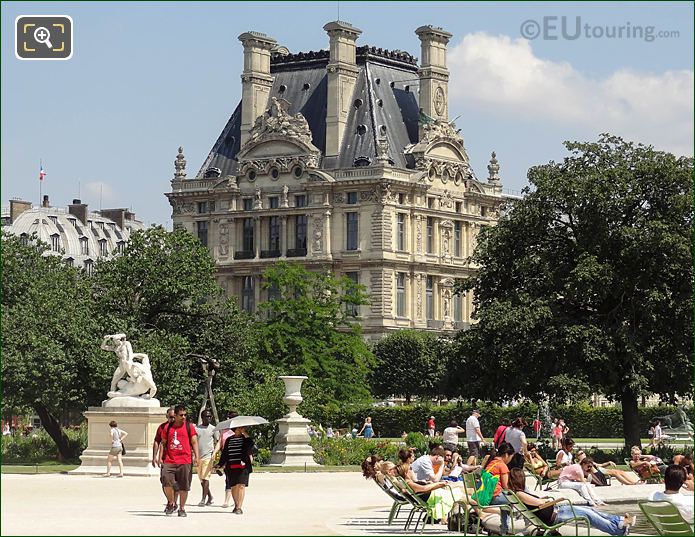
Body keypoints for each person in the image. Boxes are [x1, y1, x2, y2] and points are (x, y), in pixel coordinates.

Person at [508, 468, 636, 535]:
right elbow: (540, 504)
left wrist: (542, 500)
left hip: (556, 512)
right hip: (556, 515)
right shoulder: (520, 493)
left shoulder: (518, 493)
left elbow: (537, 503)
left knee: (590, 509)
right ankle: (618, 530)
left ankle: (619, 521)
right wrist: (548, 500)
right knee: (588, 515)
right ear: (520, 480)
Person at [158, 404, 199, 517]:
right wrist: (160, 456)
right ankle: (171, 502)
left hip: (185, 460)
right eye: (181, 415)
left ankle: (182, 508)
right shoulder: (168, 427)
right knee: (166, 481)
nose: (184, 417)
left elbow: (194, 442)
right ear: (175, 415)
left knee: (184, 486)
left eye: (185, 415)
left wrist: (197, 457)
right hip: (169, 460)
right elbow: (163, 443)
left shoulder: (189, 426)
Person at [216, 425, 255, 515]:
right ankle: (236, 504)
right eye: (240, 428)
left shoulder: (245, 439)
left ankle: (239, 507)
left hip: (243, 466)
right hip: (231, 466)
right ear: (235, 429)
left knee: (241, 485)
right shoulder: (229, 440)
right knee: (233, 486)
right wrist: (220, 464)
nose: (242, 429)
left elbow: (251, 445)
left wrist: (245, 433)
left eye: (242, 428)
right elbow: (225, 453)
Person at [485, 441, 515, 535]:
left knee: (507, 503)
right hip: (494, 497)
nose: (510, 460)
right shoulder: (502, 466)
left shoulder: (491, 463)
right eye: (511, 457)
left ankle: (504, 529)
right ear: (506, 455)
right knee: (516, 498)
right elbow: (506, 487)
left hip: (485, 496)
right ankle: (505, 529)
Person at [211, 410, 239, 508]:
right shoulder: (224, 430)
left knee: (237, 480)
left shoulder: (239, 430)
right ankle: (227, 501)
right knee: (228, 479)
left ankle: (237, 501)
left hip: (237, 457)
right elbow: (220, 442)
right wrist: (215, 452)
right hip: (227, 457)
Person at [152, 407, 177, 508]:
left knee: (176, 483)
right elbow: (157, 441)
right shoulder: (162, 427)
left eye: (175, 417)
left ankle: (173, 502)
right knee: (165, 481)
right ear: (167, 416)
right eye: (171, 417)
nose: (173, 419)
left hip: (178, 459)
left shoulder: (180, 427)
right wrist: (154, 457)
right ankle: (170, 500)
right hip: (166, 459)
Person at [195, 409, 219, 507]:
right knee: (201, 479)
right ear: (202, 417)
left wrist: (216, 454)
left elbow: (218, 441)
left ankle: (203, 499)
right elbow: (194, 442)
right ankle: (210, 496)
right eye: (206, 416)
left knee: (205, 478)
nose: (209, 418)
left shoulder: (214, 429)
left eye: (210, 416)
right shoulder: (197, 428)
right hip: (199, 456)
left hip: (208, 456)